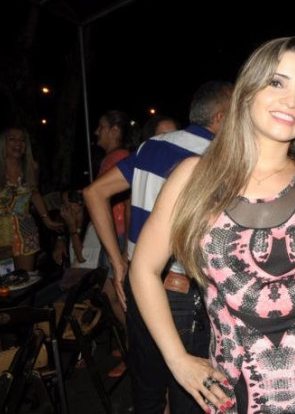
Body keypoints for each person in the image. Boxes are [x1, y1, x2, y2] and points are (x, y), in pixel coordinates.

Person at [129, 36, 295, 414]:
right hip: (235, 389)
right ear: (248, 90)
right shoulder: (194, 177)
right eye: (277, 82)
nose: (291, 101)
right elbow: (142, 269)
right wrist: (177, 358)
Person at [83, 80, 233, 414]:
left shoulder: (152, 146)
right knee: (190, 397)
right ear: (221, 117)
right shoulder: (220, 157)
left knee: (147, 392)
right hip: (184, 293)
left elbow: (93, 192)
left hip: (139, 286)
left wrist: (118, 263)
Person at [0, 127, 62, 275]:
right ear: (3, 143)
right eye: (12, 139)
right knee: (5, 282)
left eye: (22, 140)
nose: (18, 143)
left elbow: (34, 192)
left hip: (25, 232)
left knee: (25, 279)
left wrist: (47, 219)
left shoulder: (32, 166)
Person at [94, 109, 139, 377]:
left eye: (100, 126)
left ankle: (136, 352)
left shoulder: (120, 157)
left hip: (119, 236)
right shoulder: (110, 158)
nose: (96, 132)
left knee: (119, 298)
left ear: (114, 130)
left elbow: (130, 202)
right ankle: (131, 346)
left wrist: (123, 250)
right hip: (114, 236)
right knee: (111, 295)